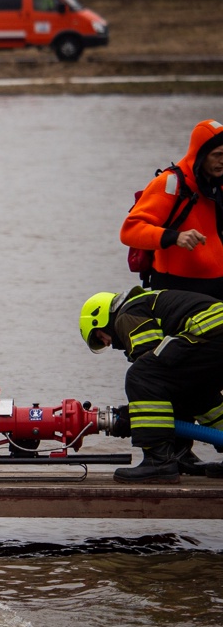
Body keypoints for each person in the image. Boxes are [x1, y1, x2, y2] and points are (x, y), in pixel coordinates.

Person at [79, 287, 223, 483]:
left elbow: (151, 369)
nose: (107, 343)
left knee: (141, 375)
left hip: (210, 330)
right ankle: (179, 455)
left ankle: (159, 463)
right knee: (197, 393)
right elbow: (173, 381)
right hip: (214, 336)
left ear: (102, 317)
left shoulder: (127, 313)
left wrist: (132, 417)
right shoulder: (148, 302)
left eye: (99, 336)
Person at [121, 119, 223, 301]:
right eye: (217, 155)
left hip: (217, 286)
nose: (222, 161)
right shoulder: (170, 184)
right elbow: (130, 230)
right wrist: (175, 237)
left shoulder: (217, 183)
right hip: (179, 290)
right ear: (200, 154)